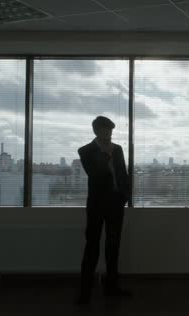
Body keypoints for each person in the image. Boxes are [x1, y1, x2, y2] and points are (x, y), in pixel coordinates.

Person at [75, 116, 131, 305]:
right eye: (106, 131)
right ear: (96, 131)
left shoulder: (118, 149)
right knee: (92, 247)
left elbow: (123, 173)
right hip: (97, 205)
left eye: (111, 131)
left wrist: (125, 196)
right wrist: (106, 154)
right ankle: (84, 294)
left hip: (116, 203)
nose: (109, 134)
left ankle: (112, 288)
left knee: (113, 247)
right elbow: (94, 172)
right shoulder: (85, 151)